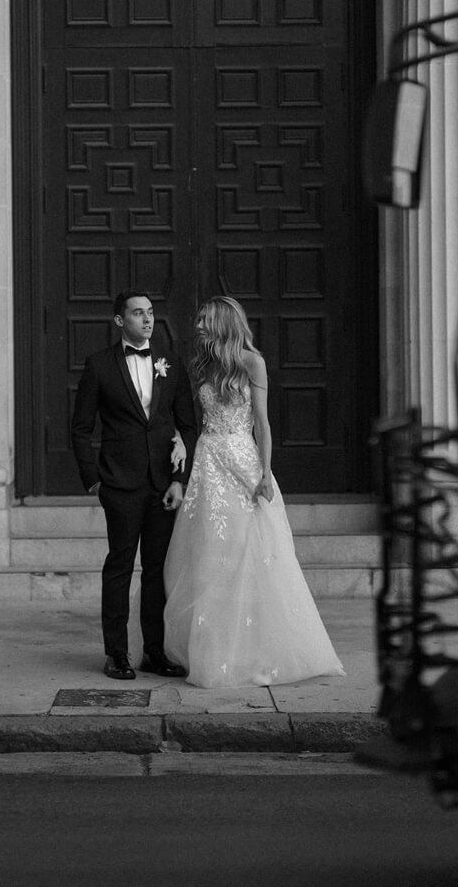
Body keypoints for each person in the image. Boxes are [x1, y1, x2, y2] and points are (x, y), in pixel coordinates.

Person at [163, 296, 345, 687]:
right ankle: (214, 652)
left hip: (242, 462)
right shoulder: (203, 365)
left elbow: (261, 424)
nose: (197, 325)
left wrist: (265, 473)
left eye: (204, 319)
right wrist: (181, 439)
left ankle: (260, 651)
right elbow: (196, 421)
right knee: (211, 554)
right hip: (208, 463)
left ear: (223, 323)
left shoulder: (252, 362)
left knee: (254, 554)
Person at [71, 290, 197, 681]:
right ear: (119, 320)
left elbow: (188, 426)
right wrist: (94, 481)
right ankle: (117, 654)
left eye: (151, 313)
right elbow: (80, 428)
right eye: (138, 313)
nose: (147, 320)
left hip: (163, 485)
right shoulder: (99, 365)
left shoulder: (171, 363)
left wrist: (180, 479)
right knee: (120, 568)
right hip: (119, 485)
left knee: (157, 570)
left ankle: (154, 653)